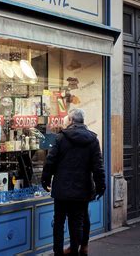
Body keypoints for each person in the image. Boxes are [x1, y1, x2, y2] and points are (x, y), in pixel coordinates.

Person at [41, 108, 105, 256]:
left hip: (62, 189)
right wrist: (101, 185)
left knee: (59, 222)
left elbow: (50, 161)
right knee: (77, 223)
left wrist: (45, 179)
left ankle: (58, 252)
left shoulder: (60, 138)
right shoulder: (92, 139)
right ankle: (75, 250)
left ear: (70, 120)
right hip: (82, 189)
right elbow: (98, 167)